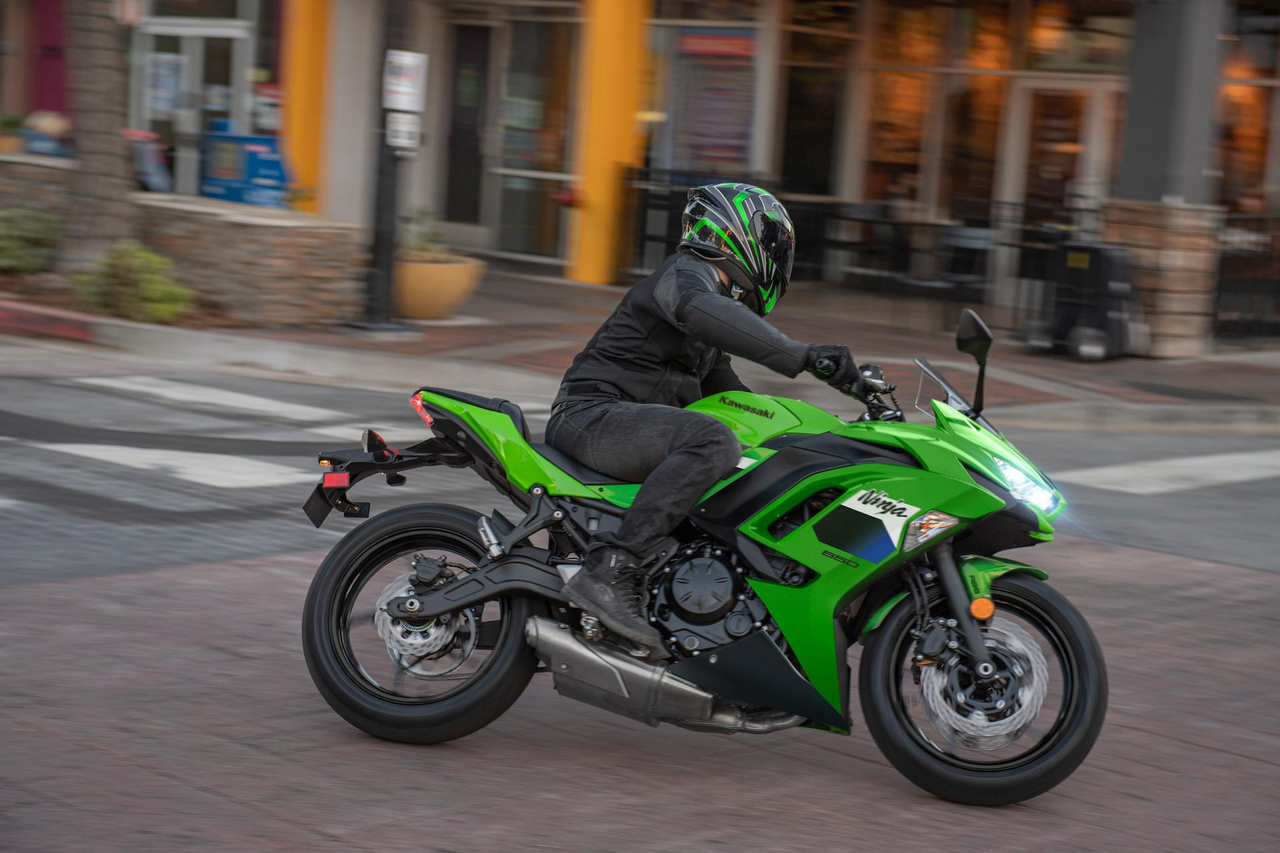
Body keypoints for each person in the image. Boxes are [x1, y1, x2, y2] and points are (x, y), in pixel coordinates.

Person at [545, 183, 865, 655]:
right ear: (735, 231)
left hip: (620, 423)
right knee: (712, 441)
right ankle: (611, 571)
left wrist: (823, 434)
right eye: (773, 244)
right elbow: (704, 312)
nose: (778, 258)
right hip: (591, 416)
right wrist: (805, 355)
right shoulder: (685, 276)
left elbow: (741, 403)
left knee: (749, 454)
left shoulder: (705, 321)